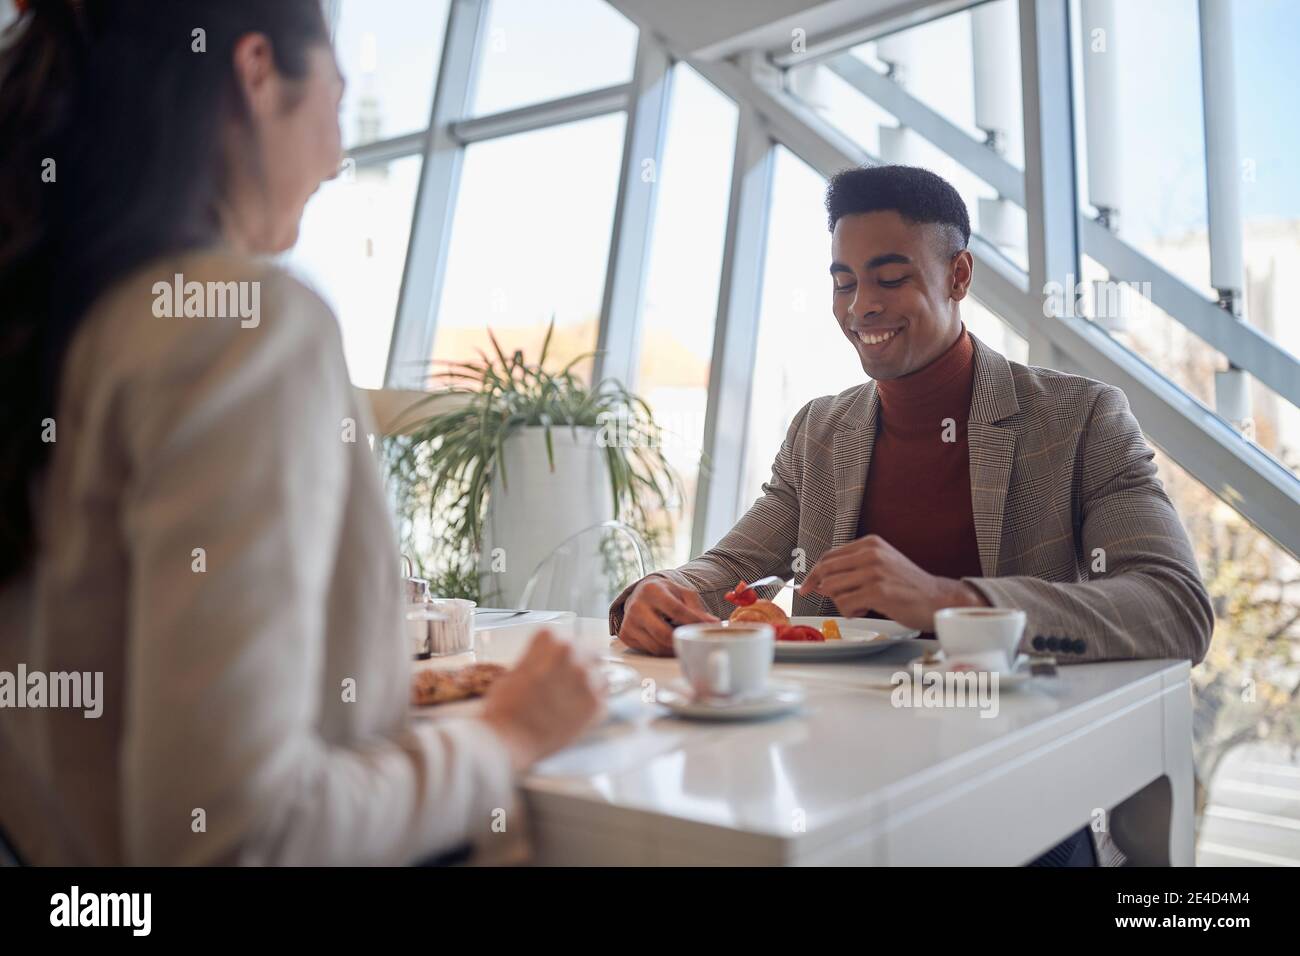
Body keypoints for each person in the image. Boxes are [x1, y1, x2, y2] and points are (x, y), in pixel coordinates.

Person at [0, 0, 603, 866]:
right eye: (336, 93)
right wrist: (503, 739)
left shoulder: (50, 335)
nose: (337, 152)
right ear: (254, 73)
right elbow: (240, 835)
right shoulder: (242, 327)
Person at [609, 165, 1215, 866]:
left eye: (890, 278)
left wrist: (951, 602)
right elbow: (732, 567)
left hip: (1018, 786)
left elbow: (1174, 607)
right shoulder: (819, 432)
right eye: (844, 281)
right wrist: (659, 591)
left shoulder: (1079, 419)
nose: (860, 305)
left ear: (958, 276)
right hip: (830, 784)